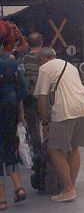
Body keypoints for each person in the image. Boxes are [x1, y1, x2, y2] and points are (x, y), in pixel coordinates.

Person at [34, 48, 84, 203]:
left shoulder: (45, 68)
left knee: (54, 150)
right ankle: (70, 187)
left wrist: (45, 120)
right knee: (74, 147)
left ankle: (68, 189)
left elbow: (42, 98)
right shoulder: (70, 65)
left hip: (65, 109)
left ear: (44, 59)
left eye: (39, 62)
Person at [0, 42, 28, 210]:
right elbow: (23, 91)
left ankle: (1, 199)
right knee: (10, 147)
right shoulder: (13, 63)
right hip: (10, 112)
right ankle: (18, 187)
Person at [20, 32, 44, 154]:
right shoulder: (46, 58)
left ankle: (38, 155)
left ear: (28, 44)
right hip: (44, 97)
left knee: (33, 128)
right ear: (41, 43)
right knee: (47, 126)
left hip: (30, 98)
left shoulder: (24, 59)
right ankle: (49, 156)